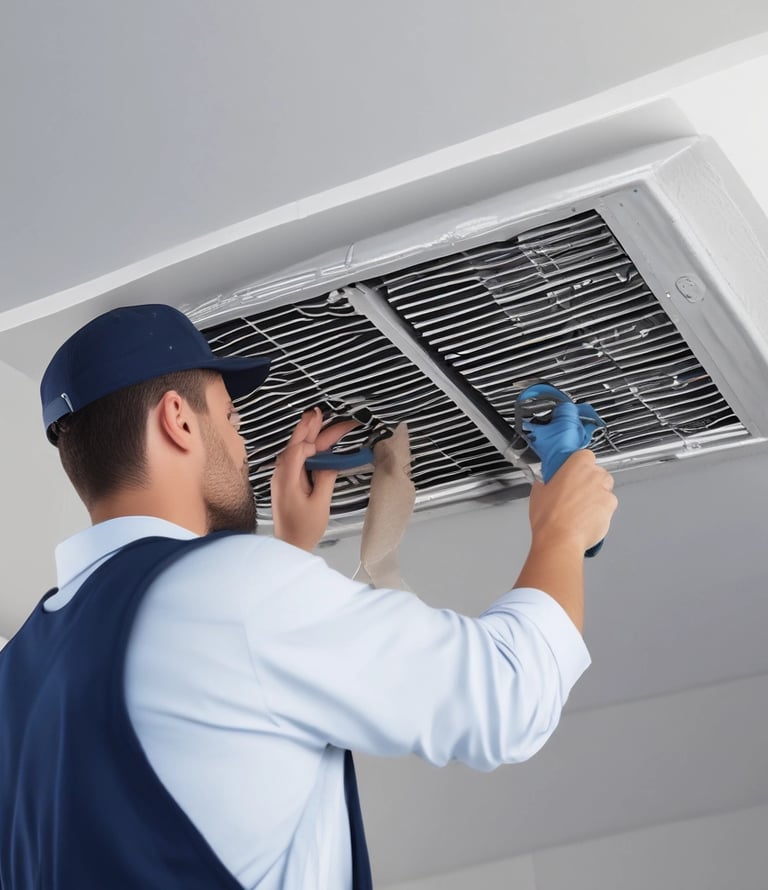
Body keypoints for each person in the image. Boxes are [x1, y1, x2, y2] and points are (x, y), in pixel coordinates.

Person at [0, 304, 617, 890]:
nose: (242, 449)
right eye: (231, 419)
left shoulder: (17, 676)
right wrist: (561, 531)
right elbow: (508, 695)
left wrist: (291, 551)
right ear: (178, 420)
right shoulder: (233, 594)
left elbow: (185, 775)